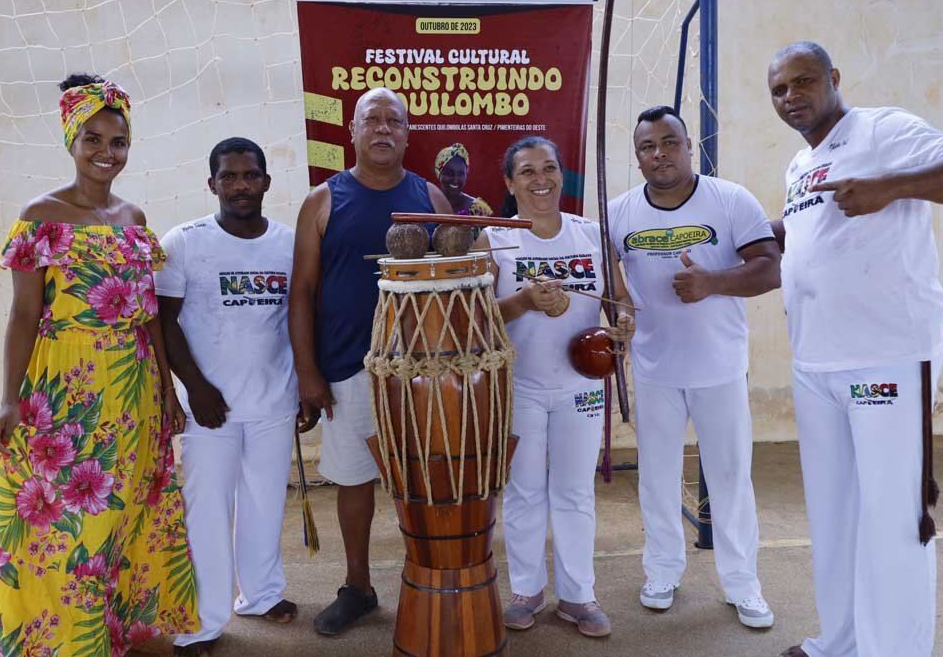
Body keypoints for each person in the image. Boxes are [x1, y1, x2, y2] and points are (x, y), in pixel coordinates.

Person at [767, 42, 943, 657]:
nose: (791, 97)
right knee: (834, 518)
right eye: (779, 91)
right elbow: (814, 239)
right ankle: (839, 641)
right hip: (815, 363)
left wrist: (889, 186)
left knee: (895, 523)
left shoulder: (884, 129)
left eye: (803, 82)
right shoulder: (798, 165)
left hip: (885, 358)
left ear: (834, 79)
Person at [0, 74, 198, 656]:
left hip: (132, 392)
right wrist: (8, 399)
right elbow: (23, 316)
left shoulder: (133, 218)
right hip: (63, 396)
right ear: (71, 142)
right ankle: (62, 644)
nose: (107, 153)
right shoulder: (41, 216)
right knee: (65, 528)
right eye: (94, 140)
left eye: (119, 141)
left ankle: (121, 632)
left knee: (128, 517)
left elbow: (150, 314)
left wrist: (166, 389)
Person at [607, 106, 781, 628]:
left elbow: (770, 268)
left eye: (669, 142)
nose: (658, 153)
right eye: (647, 147)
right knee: (657, 479)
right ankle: (662, 570)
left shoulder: (730, 200)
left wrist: (712, 282)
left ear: (689, 146)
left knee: (730, 478)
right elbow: (610, 279)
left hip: (720, 368)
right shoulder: (617, 212)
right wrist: (617, 311)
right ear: (637, 157)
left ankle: (742, 583)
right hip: (655, 369)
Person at [289, 87, 451, 636]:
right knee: (355, 481)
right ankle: (357, 586)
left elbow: (454, 284)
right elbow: (301, 293)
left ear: (408, 134)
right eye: (372, 120)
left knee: (424, 483)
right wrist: (308, 373)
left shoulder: (430, 196)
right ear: (352, 132)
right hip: (348, 367)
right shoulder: (323, 199)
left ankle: (428, 579)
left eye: (394, 121)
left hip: (421, 372)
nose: (383, 129)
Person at [475, 136, 635, 638]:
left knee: (573, 491)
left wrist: (623, 327)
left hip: (581, 387)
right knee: (524, 491)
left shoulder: (590, 234)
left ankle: (578, 595)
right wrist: (522, 302)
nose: (540, 179)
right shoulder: (495, 238)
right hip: (518, 386)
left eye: (549, 168)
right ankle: (526, 589)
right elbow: (475, 319)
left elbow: (621, 302)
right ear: (509, 182)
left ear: (561, 174)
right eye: (527, 171)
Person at [156, 138, 298, 657]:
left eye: (250, 175)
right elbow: (162, 320)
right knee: (207, 512)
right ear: (211, 183)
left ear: (266, 181)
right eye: (229, 176)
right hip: (208, 409)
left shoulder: (288, 242)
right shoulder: (185, 242)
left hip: (273, 401)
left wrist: (305, 383)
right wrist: (193, 385)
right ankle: (200, 623)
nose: (240, 185)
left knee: (265, 503)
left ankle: (260, 595)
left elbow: (299, 319)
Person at [434, 143, 493, 218]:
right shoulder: (426, 204)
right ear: (439, 173)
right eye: (449, 173)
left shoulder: (479, 210)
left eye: (460, 173)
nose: (455, 179)